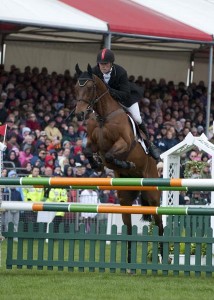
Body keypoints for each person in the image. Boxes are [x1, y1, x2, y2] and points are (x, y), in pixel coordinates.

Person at [92, 48, 160, 160]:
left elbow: (124, 94)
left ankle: (149, 145)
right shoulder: (95, 71)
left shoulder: (120, 72)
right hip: (105, 103)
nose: (103, 66)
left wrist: (108, 90)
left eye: (106, 64)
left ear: (111, 63)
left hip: (125, 99)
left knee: (137, 119)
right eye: (101, 64)